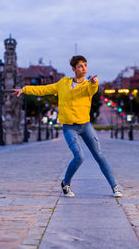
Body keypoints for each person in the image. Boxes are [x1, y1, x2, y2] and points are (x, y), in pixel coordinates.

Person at [12, 55, 123, 198]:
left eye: (85, 65)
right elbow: (44, 89)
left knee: (99, 155)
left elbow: (93, 89)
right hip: (69, 127)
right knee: (79, 156)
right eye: (81, 66)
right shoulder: (63, 83)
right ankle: (66, 183)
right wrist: (24, 90)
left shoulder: (88, 85)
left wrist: (94, 82)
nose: (84, 68)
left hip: (85, 125)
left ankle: (114, 187)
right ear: (74, 68)